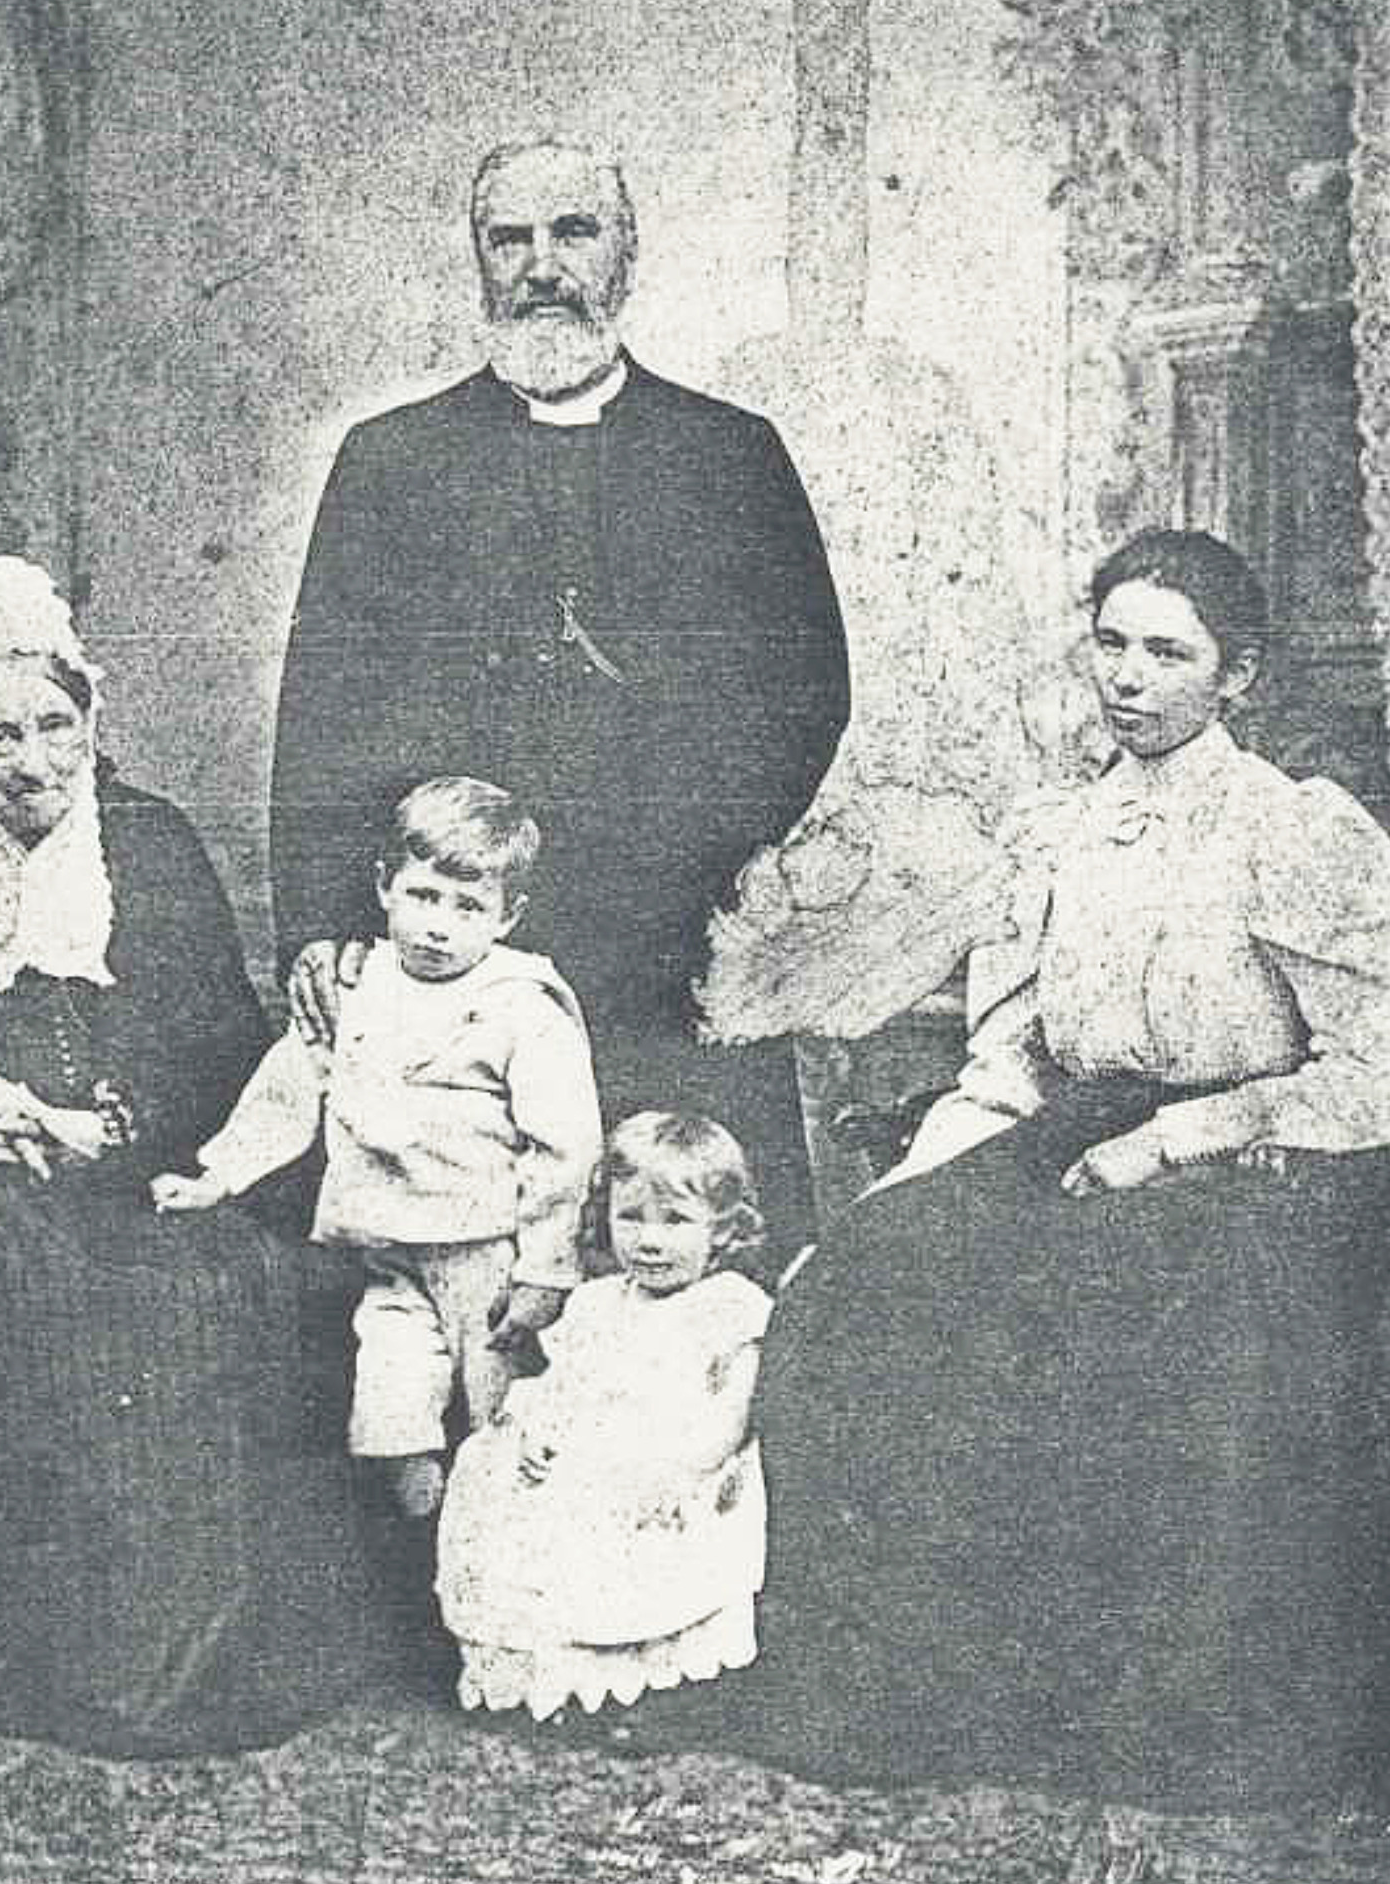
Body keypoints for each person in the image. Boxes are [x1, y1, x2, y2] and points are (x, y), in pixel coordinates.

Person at [749, 529, 1390, 1809]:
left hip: (1262, 1152)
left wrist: (1174, 1139)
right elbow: (1007, 1061)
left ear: (1238, 679)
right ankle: (931, 1694)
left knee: (1128, 1302)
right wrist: (905, 1198)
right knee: (867, 1283)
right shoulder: (1053, 832)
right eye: (1112, 642)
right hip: (1074, 1124)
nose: (1130, 679)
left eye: (1170, 653)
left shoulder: (1292, 831)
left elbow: (1372, 1068)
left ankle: (1132, 1713)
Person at [271, 137, 850, 1278]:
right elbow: (323, 710)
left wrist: (688, 855)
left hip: (665, 942)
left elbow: (804, 691)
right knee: (445, 1298)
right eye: (511, 238)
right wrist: (326, 923)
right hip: (458, 948)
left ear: (623, 253)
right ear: (478, 259)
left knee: (682, 1286)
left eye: (572, 233)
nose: (542, 266)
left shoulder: (729, 456)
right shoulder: (392, 461)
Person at [0, 556, 383, 1756]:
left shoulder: (147, 842)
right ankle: (43, 1652)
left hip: (131, 1151)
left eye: (56, 725)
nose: (34, 763)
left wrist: (110, 1126)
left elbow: (214, 1035)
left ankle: (184, 1652)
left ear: (93, 722)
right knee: (43, 1286)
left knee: (202, 1282)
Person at [154, 775, 602, 1520]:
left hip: (482, 1248)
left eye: (468, 908)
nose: (438, 927)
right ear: (385, 885)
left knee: (505, 1401)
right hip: (388, 1248)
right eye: (424, 896)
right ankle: (420, 1510)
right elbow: (290, 1088)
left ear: (508, 916)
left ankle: (511, 1527)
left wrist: (546, 1267)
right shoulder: (360, 983)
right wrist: (218, 1176)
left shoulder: (522, 1004)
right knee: (391, 1394)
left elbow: (565, 1147)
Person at [436, 1112, 773, 1721]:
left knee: (602, 1504)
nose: (649, 1240)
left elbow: (732, 1415)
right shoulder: (596, 1305)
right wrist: (538, 1430)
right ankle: (545, 1674)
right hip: (590, 1450)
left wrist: (678, 1471)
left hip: (672, 1460)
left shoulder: (726, 1309)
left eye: (675, 1221)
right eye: (631, 1217)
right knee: (488, 1466)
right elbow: (563, 1385)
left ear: (721, 1231)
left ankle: (633, 1684)